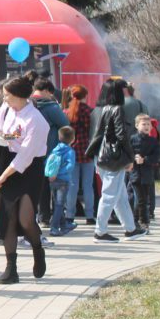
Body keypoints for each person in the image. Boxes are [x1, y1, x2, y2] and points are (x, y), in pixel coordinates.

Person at [0, 76, 49, 285]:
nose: (4, 99)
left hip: (29, 169)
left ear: (20, 96)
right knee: (8, 218)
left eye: (7, 95)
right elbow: (3, 133)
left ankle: (37, 248)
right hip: (8, 160)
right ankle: (11, 267)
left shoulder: (36, 120)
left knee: (25, 217)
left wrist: (3, 176)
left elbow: (26, 155)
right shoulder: (6, 109)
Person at [85, 80, 148, 242]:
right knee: (109, 195)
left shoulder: (97, 110)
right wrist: (129, 157)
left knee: (119, 196)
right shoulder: (116, 110)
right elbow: (122, 136)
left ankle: (130, 229)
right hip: (113, 158)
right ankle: (100, 231)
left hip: (99, 157)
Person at [30, 79, 69, 227]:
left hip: (30, 151)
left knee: (39, 186)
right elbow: (65, 125)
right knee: (53, 185)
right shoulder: (51, 107)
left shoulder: (26, 105)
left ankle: (42, 216)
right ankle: (58, 218)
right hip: (49, 151)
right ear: (46, 90)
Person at [64, 84, 96, 224]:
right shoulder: (90, 111)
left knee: (72, 185)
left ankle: (69, 215)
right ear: (85, 96)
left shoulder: (66, 112)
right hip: (87, 151)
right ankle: (90, 216)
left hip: (71, 152)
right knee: (88, 185)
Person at [129, 114, 160, 231]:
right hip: (135, 174)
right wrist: (134, 158)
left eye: (148, 124)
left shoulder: (153, 141)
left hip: (147, 174)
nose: (146, 126)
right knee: (139, 199)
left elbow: (156, 157)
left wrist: (145, 160)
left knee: (145, 199)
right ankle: (140, 221)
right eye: (144, 124)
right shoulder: (132, 139)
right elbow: (128, 153)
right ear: (137, 126)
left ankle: (142, 221)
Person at [45, 126, 77, 237]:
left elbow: (48, 162)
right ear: (73, 139)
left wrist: (52, 174)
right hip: (63, 180)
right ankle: (54, 227)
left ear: (59, 137)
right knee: (60, 205)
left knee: (57, 203)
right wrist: (61, 173)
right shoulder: (70, 151)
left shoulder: (55, 149)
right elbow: (70, 166)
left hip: (52, 180)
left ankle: (64, 225)